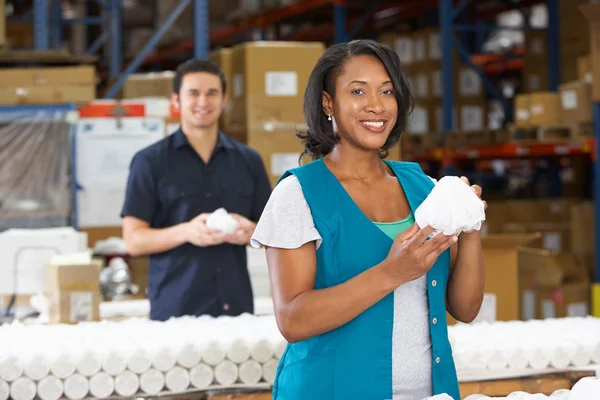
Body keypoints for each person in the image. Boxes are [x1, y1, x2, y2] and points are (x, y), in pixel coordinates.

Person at [250, 40, 486, 399]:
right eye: (358, 91)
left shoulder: (424, 189)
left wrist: (469, 224)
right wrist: (392, 272)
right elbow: (292, 320)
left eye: (387, 91)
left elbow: (465, 309)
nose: (376, 105)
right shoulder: (299, 194)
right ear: (329, 102)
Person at [121, 59, 272, 321]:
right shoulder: (150, 162)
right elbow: (133, 240)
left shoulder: (249, 161)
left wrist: (251, 232)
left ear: (224, 100)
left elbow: (273, 231)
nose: (203, 101)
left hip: (236, 310)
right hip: (175, 312)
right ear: (176, 101)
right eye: (193, 93)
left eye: (212, 93)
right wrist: (186, 232)